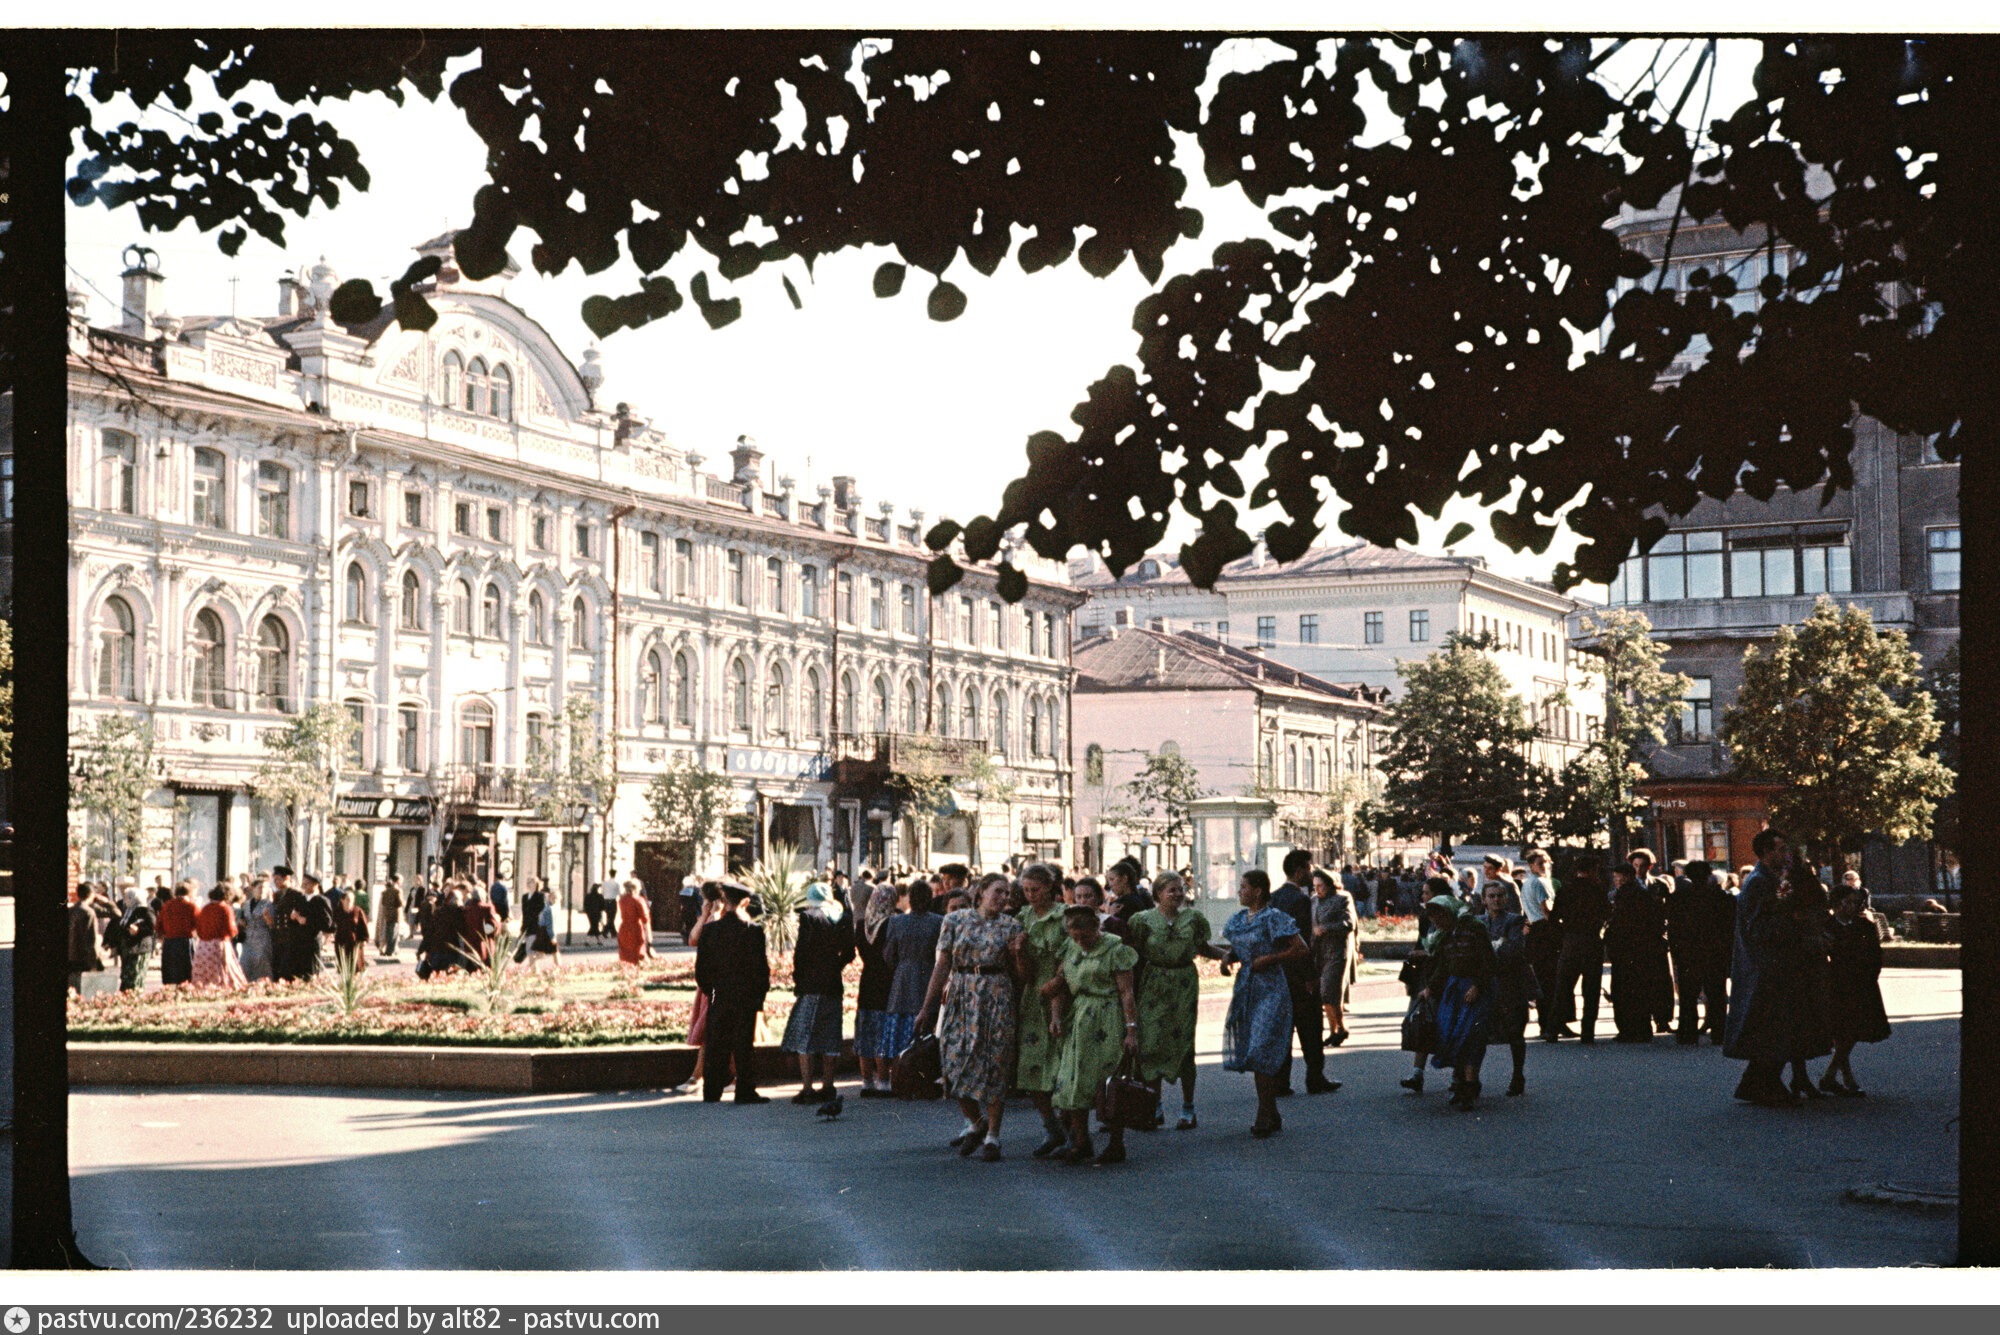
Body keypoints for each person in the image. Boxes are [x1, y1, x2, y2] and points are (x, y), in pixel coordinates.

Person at [917, 875, 1023, 1162]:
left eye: (1008, 894)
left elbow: (1019, 972)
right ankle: (975, 1123)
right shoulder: (954, 920)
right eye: (998, 891)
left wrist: (1018, 953)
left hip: (996, 995)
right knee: (953, 1060)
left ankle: (993, 1136)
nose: (1003, 898)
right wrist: (927, 1008)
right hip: (962, 993)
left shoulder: (1012, 925)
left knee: (995, 1063)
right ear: (980, 892)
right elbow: (942, 965)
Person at [1043, 904, 1142, 1165]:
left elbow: (1126, 992)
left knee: (1108, 1080)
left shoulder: (1115, 949)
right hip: (1078, 1017)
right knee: (1074, 1078)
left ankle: (1116, 1143)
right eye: (1073, 936)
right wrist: (1055, 1017)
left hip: (1107, 1017)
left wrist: (1131, 1030)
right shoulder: (1071, 948)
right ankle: (1080, 1140)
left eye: (1084, 936)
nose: (1079, 941)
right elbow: (1060, 987)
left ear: (1096, 928)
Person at [1725, 829, 1816, 1106]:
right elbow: (1759, 925)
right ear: (1765, 852)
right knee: (1771, 1028)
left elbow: (1781, 902)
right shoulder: (1757, 882)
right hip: (1766, 966)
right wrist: (1796, 920)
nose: (1785, 854)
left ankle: (1758, 1083)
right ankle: (1764, 1085)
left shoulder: (1773, 879)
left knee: (1775, 1028)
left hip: (1776, 964)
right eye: (1779, 849)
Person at [1126, 870, 1221, 1130]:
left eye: (1181, 889)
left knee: (1184, 1044)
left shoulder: (1193, 919)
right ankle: (1154, 1106)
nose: (1178, 894)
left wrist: (1229, 955)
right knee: (1152, 1041)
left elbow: (1204, 948)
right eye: (1172, 890)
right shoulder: (1142, 920)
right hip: (1154, 982)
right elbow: (1131, 952)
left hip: (1183, 983)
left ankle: (1188, 1107)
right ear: (1158, 894)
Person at [1219, 869, 1309, 1137]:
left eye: (1244, 886)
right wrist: (1228, 957)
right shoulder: (1238, 919)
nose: (1239, 891)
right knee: (1252, 1048)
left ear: (1258, 891)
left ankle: (1263, 1112)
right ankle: (1272, 1111)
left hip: (1271, 988)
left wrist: (1270, 959)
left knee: (1261, 1048)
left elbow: (1300, 948)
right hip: (1247, 988)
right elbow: (1241, 946)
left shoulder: (1274, 917)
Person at [1009, 862, 1072, 1157]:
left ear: (1049, 887)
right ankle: (1051, 1128)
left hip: (1063, 991)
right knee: (1032, 1065)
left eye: (1035, 889)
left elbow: (1070, 957)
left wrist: (1058, 985)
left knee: (1063, 1065)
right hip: (1034, 995)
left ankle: (1071, 1128)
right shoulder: (1023, 918)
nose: (1030, 895)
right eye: (1025, 890)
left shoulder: (1063, 917)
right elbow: (1023, 974)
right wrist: (1020, 952)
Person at [1418, 894, 1497, 1110]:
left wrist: (1478, 986)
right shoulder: (1446, 934)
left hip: (1474, 988)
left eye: (1440, 917)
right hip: (1455, 989)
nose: (1438, 923)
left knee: (1470, 1035)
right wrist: (1430, 988)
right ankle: (1461, 1084)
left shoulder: (1474, 927)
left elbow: (1488, 959)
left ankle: (1469, 1087)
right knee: (1452, 1033)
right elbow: (1444, 965)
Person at [696, 884, 771, 1104]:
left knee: (716, 1043)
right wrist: (758, 998)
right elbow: (761, 971)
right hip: (746, 997)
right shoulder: (753, 931)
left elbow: (702, 971)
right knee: (744, 1045)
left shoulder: (711, 931)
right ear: (745, 902)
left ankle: (711, 1091)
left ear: (725, 901)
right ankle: (745, 1090)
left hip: (719, 995)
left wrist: (712, 993)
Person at [782, 882, 855, 1103]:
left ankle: (807, 1088)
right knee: (830, 1035)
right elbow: (850, 952)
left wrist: (799, 977)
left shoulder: (809, 917)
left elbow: (801, 952)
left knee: (806, 1035)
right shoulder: (843, 917)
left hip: (811, 983)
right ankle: (829, 1085)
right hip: (833, 983)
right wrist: (835, 965)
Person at [1270, 849, 1335, 1094]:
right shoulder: (1300, 900)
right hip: (1298, 974)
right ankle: (1315, 1077)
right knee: (1310, 1028)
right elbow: (1303, 942)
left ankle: (1280, 1081)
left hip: (1279, 973)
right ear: (1299, 871)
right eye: (1309, 868)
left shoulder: (1273, 897)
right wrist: (1309, 976)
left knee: (1283, 1029)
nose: (1311, 872)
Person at [1821, 880, 1890, 1096]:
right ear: (1838, 904)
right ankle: (1838, 1077)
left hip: (1862, 984)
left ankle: (1835, 1076)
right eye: (1849, 902)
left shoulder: (1865, 926)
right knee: (1845, 1032)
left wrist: (1871, 975)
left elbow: (1876, 954)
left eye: (1856, 902)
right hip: (1839, 985)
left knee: (1850, 1032)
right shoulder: (1827, 927)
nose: (1855, 906)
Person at [1666, 860, 1734, 1044]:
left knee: (1688, 995)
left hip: (1689, 953)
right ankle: (1719, 1032)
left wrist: (1676, 951)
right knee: (1717, 994)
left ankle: (1688, 1033)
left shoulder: (1678, 899)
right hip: (1714, 952)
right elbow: (1729, 928)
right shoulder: (1721, 898)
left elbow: (1674, 928)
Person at [1400, 875, 1457, 1093]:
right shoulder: (1426, 915)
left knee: (1448, 1024)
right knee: (1424, 1022)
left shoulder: (1453, 914)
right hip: (1428, 973)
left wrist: (1423, 952)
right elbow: (1423, 940)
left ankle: (1457, 1075)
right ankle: (1417, 1074)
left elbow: (1444, 947)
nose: (1422, 897)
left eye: (1426, 892)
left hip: (1446, 975)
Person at [1604, 864, 1673, 1042]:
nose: (1616, 881)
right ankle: (1642, 1028)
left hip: (1626, 949)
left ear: (1626, 877)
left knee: (1624, 991)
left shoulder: (1624, 896)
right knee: (1639, 990)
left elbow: (1619, 924)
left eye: (1618, 877)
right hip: (1641, 949)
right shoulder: (1642, 894)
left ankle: (1628, 1030)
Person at [880, 876, 943, 1069]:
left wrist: (901, 966)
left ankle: (902, 1071)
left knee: (901, 1028)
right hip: (929, 977)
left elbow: (889, 954)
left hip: (903, 980)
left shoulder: (896, 922)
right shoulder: (938, 922)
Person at [1480, 879, 1534, 1096]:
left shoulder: (1515, 920)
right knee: (1478, 1032)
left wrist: (1488, 953)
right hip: (1487, 984)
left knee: (1515, 1032)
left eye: (1500, 895)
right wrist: (1495, 948)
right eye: (1491, 896)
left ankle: (1518, 1074)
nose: (1496, 900)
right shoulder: (1479, 922)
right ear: (1484, 900)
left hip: (1513, 984)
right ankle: (1469, 1077)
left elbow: (1513, 950)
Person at [1548, 856, 1610, 1042]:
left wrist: (1563, 934)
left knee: (1563, 987)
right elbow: (1607, 913)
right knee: (1591, 988)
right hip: (1591, 940)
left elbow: (1554, 917)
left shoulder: (1566, 889)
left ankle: (1552, 1029)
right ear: (1593, 870)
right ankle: (1587, 1032)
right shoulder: (1597, 890)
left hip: (1570, 941)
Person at [1309, 867, 1359, 1048]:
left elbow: (1349, 923)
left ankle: (1338, 1029)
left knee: (1329, 991)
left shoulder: (1342, 898)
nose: (1318, 890)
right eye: (1315, 886)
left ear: (1330, 884)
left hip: (1338, 950)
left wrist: (1328, 928)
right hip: (1319, 951)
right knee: (1327, 994)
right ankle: (1336, 1030)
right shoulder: (1313, 900)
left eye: (1321, 886)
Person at [190, 885, 248, 989]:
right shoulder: (225, 908)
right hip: (219, 944)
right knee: (224, 971)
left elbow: (198, 927)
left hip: (203, 945)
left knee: (205, 971)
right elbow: (230, 929)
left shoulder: (205, 908)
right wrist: (235, 930)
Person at [104, 885, 157, 993]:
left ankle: (134, 998)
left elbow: (153, 928)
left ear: (135, 898)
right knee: (126, 976)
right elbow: (118, 926)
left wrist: (139, 930)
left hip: (139, 949)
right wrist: (110, 942)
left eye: (127, 897)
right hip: (127, 949)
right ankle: (126, 998)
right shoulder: (128, 910)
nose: (125, 900)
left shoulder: (145, 910)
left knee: (136, 975)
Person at [68, 883, 113, 995]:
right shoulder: (89, 912)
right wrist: (94, 961)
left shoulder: (71, 910)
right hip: (84, 957)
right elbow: (91, 939)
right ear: (91, 894)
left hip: (71, 955)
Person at [156, 880, 199, 986]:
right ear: (189, 893)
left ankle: (170, 993)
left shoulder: (167, 905)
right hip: (185, 941)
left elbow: (158, 926)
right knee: (186, 971)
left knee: (170, 972)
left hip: (169, 942)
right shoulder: (191, 906)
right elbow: (199, 923)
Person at [328, 886, 372, 974]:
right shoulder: (337, 911)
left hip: (354, 942)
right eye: (348, 899)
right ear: (342, 900)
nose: (350, 901)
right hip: (341, 942)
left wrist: (365, 939)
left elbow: (364, 926)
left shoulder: (358, 911)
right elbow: (331, 925)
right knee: (343, 966)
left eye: (352, 899)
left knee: (355, 966)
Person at [616, 878, 653, 965]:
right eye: (640, 887)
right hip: (636, 930)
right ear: (636, 888)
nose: (640, 889)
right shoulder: (639, 900)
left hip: (623, 929)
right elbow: (645, 920)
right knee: (638, 956)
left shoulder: (622, 899)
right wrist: (649, 939)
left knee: (626, 957)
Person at [375, 874, 404, 959]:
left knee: (388, 933)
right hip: (395, 915)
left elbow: (383, 903)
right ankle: (390, 951)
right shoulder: (397, 891)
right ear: (398, 881)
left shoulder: (386, 891)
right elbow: (400, 903)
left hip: (387, 914)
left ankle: (388, 949)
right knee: (394, 934)